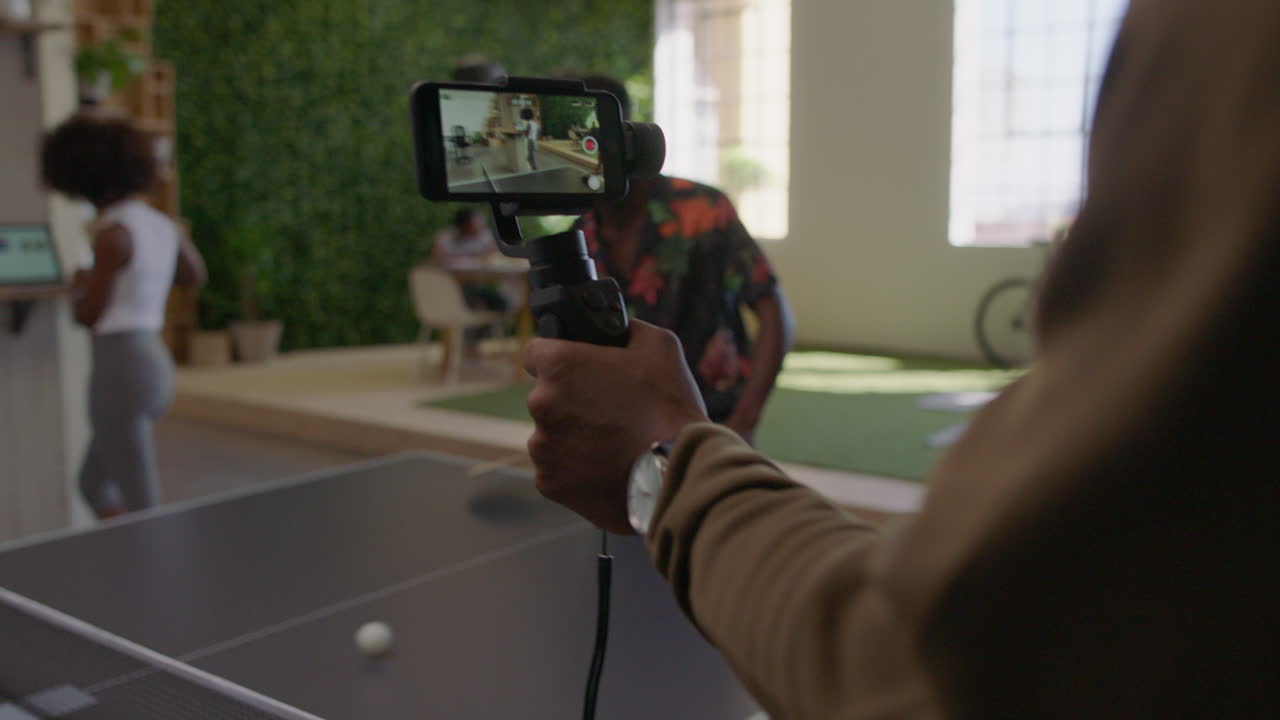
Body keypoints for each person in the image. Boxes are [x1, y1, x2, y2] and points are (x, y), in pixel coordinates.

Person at [524, 3, 1279, 718]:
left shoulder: (702, 207)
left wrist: (687, 452)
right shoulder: (577, 221)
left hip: (703, 422)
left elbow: (924, 664)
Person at [572, 74, 793, 443]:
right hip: (627, 429)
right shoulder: (582, 231)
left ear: (623, 137)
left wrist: (744, 421)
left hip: (712, 422)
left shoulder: (703, 210)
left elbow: (774, 314)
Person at [41, 114, 206, 519]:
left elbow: (89, 315)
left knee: (141, 503)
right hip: (155, 363)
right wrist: (143, 279)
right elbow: (194, 275)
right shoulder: (164, 227)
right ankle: (126, 560)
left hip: (119, 368)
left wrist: (83, 284)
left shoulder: (112, 234)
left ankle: (152, 572)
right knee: (92, 483)